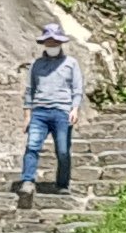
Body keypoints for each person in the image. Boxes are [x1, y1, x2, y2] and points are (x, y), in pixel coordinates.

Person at [16, 23, 82, 207]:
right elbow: (30, 90)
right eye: (48, 42)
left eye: (55, 41)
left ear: (60, 43)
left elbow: (77, 89)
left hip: (62, 111)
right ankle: (27, 181)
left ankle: (62, 184)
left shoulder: (71, 64)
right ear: (44, 43)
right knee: (32, 146)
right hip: (40, 112)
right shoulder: (37, 64)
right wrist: (27, 115)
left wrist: (74, 109)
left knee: (62, 150)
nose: (51, 45)